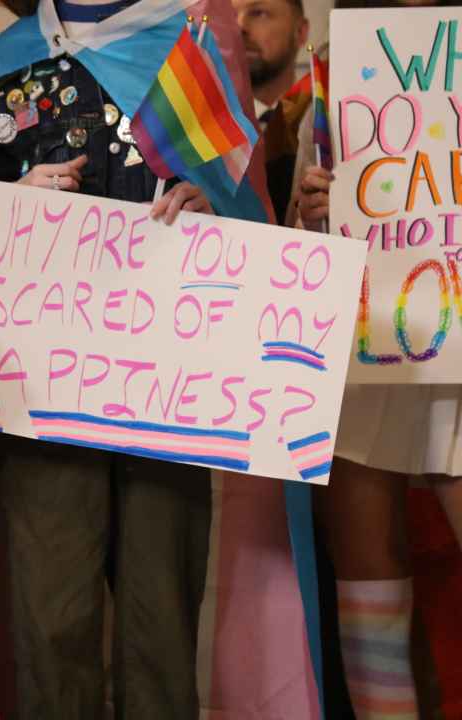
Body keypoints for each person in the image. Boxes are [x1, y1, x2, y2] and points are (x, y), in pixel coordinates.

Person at [0, 1, 249, 718]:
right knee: (51, 620)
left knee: (161, 621)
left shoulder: (191, 47)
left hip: (170, 386)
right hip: (43, 389)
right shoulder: (10, 58)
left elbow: (241, 203)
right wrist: (2, 211)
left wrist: (211, 215)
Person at [296, 1, 462, 718]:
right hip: (364, 340)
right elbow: (303, 226)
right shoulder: (339, 73)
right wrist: (310, 208)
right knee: (367, 568)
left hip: (453, 340)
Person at [231, 0, 309, 126]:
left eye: (258, 13)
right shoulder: (192, 126)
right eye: (228, 15)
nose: (239, 27)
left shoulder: (330, 125)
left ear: (300, 31)